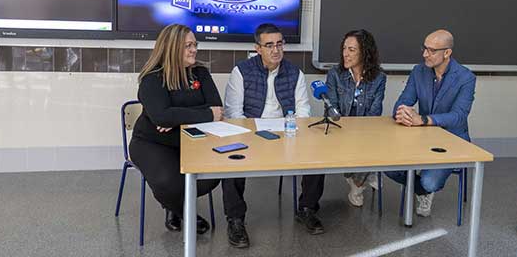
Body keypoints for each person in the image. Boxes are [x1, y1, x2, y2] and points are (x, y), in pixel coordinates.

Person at [223, 23, 324, 247]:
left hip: (286, 133)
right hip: (250, 134)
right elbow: (233, 113)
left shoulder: (294, 73)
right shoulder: (241, 71)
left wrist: (291, 132)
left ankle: (307, 208)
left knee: (317, 155)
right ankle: (235, 219)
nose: (276, 50)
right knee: (230, 162)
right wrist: (252, 135)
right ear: (258, 48)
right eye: (269, 45)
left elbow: (303, 112)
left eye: (279, 44)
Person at [129, 24, 223, 235]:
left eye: (195, 44)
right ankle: (182, 211)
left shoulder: (200, 73)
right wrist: (201, 112)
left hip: (193, 140)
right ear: (171, 47)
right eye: (188, 46)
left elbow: (216, 109)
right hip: (152, 143)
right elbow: (161, 116)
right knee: (167, 182)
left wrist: (174, 115)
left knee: (211, 177)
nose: (194, 50)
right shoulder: (152, 78)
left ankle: (173, 203)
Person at [385, 29, 476, 217]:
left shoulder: (466, 78)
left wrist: (423, 119)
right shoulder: (419, 71)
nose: (425, 54)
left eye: (432, 50)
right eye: (424, 48)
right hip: (422, 137)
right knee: (387, 167)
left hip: (452, 140)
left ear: (447, 52)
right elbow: (403, 102)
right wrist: (403, 113)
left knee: (429, 182)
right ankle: (420, 189)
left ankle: (423, 189)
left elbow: (458, 116)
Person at [325, 29, 386, 207]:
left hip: (366, 131)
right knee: (363, 152)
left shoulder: (379, 78)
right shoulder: (335, 74)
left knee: (377, 145)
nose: (345, 53)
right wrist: (349, 132)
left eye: (351, 49)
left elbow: (375, 112)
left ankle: (357, 182)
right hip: (339, 130)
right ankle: (365, 176)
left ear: (365, 52)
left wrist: (360, 133)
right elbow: (332, 109)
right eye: (344, 48)